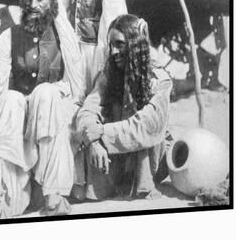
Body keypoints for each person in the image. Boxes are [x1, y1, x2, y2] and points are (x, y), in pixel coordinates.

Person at [0, 0, 84, 218]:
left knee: (46, 93)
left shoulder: (64, 39)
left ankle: (53, 194)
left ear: (52, 3)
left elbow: (75, 85)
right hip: (19, 116)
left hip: (53, 113)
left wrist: (52, 94)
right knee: (11, 98)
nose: (33, 4)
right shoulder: (8, 37)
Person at [73, 14, 172, 201]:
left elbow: (145, 127)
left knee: (143, 136)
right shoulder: (108, 75)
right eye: (111, 45)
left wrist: (100, 132)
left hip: (147, 158)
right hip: (113, 152)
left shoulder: (159, 79)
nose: (113, 52)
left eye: (120, 44)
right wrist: (94, 142)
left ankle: (143, 188)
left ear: (135, 45)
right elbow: (87, 111)